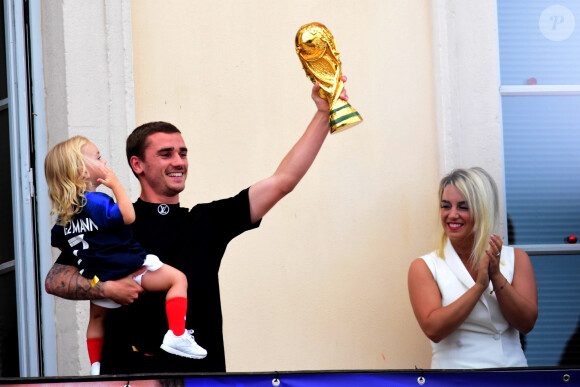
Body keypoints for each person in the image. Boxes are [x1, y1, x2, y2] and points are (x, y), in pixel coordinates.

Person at [45, 79, 349, 373]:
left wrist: (323, 114)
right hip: (129, 377)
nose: (179, 161)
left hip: (201, 378)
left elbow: (283, 181)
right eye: (166, 154)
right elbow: (56, 279)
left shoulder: (207, 220)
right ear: (137, 165)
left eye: (183, 153)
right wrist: (107, 287)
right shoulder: (106, 220)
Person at [45, 136, 208, 375]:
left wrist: (90, 255)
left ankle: (95, 366)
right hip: (130, 268)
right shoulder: (96, 202)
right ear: (81, 170)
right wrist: (115, 185)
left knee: (98, 318)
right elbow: (127, 216)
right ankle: (176, 333)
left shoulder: (65, 214)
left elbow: (59, 241)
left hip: (97, 277)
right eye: (98, 157)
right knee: (177, 280)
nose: (104, 160)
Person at [407, 167, 538, 369]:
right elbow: (433, 329)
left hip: (510, 376)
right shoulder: (425, 266)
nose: (452, 215)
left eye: (463, 207)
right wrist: (479, 287)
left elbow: (527, 323)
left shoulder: (516, 258)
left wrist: (496, 276)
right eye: (445, 206)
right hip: (453, 378)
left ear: (482, 209)